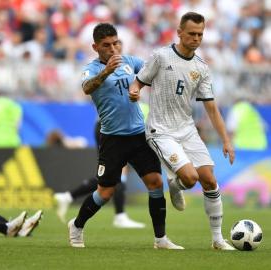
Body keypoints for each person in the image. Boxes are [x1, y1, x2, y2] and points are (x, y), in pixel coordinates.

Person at [68, 23, 183, 249]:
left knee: (155, 182)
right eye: (106, 45)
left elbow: (152, 72)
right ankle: (77, 225)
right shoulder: (91, 69)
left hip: (139, 134)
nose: (113, 49)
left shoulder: (130, 62)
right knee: (105, 192)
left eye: (115, 43)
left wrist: (143, 85)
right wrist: (107, 71)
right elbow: (87, 88)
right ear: (95, 47)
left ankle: (160, 239)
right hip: (112, 138)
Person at [129, 12, 235, 250]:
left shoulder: (201, 67)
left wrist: (226, 140)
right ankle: (177, 183)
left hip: (187, 130)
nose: (196, 38)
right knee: (191, 177)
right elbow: (139, 81)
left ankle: (218, 239)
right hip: (161, 130)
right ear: (179, 32)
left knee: (209, 180)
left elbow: (211, 107)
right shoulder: (160, 56)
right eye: (192, 34)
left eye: (200, 34)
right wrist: (135, 90)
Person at [54, 120, 146, 229]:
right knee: (116, 171)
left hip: (114, 125)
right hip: (113, 125)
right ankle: (120, 216)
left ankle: (68, 196)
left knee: (109, 175)